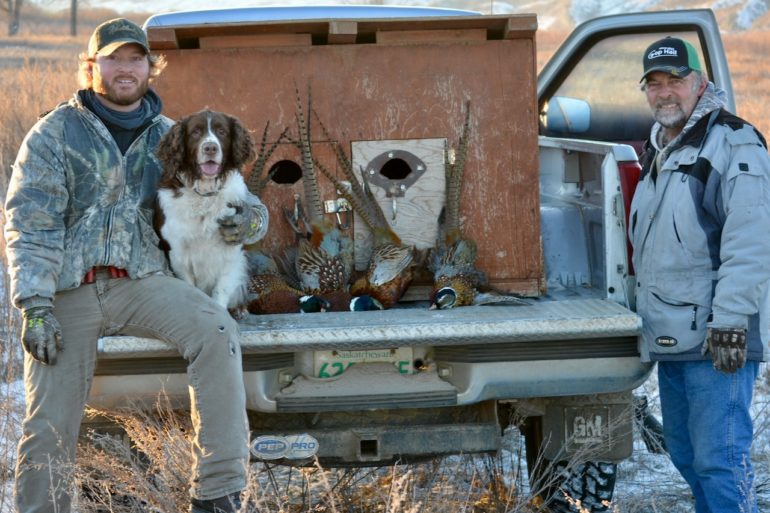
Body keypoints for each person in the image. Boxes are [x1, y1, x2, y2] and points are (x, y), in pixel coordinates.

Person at [3, 18, 268, 513]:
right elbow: (29, 223)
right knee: (49, 422)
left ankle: (217, 494)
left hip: (144, 281)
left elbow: (234, 193)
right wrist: (35, 305)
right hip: (69, 289)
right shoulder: (54, 133)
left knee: (216, 330)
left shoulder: (171, 137)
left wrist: (251, 220)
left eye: (135, 59)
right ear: (91, 66)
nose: (125, 69)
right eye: (113, 59)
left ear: (151, 67)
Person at [630, 36, 770, 513]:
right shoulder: (661, 148)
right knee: (687, 453)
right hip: (673, 336)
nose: (665, 92)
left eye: (676, 80)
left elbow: (751, 242)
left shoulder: (733, 142)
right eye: (654, 83)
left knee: (720, 461)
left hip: (717, 338)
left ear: (701, 83)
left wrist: (729, 322)